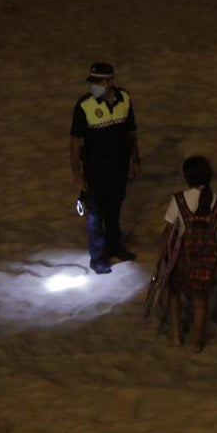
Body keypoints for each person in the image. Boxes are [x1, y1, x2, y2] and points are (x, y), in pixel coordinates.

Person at [70, 62, 141, 274]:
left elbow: (131, 132)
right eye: (92, 82)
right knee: (94, 214)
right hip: (95, 169)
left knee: (114, 208)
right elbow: (75, 142)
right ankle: (98, 258)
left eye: (98, 82)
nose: (94, 86)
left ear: (109, 81)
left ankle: (114, 247)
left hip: (119, 166)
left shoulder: (124, 99)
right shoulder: (84, 106)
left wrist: (136, 160)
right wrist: (77, 175)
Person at [159, 156, 217, 352]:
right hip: (207, 257)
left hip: (183, 256)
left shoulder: (179, 199)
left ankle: (176, 336)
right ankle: (197, 343)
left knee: (174, 292)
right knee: (201, 301)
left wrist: (162, 256)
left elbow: (167, 231)